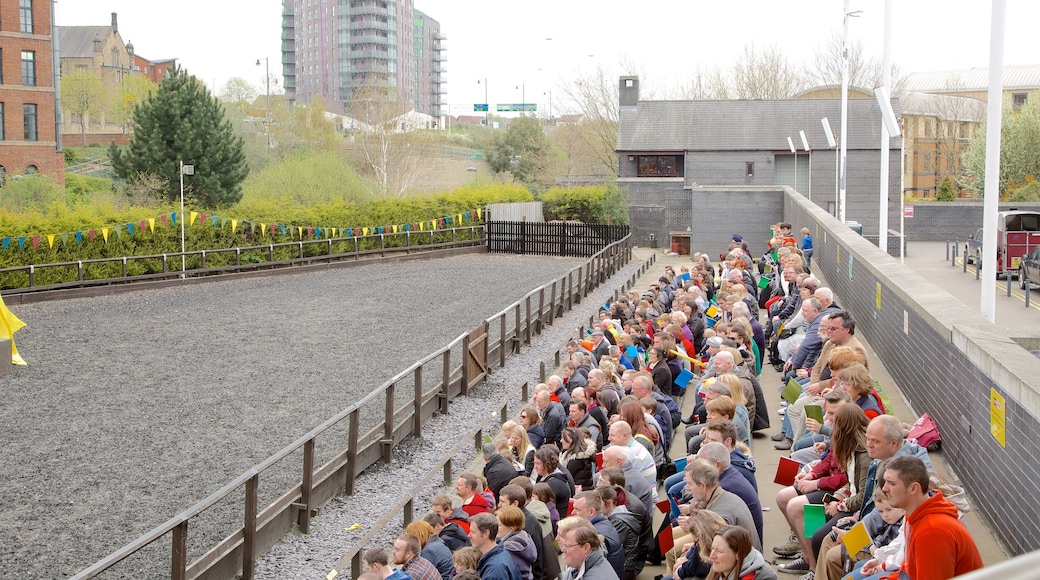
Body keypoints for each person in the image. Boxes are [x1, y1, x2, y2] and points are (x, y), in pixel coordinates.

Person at [879, 456, 983, 580]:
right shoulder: (915, 514)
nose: (884, 488)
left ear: (913, 488)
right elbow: (910, 569)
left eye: (891, 483)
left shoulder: (932, 531)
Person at [571, 491, 626, 579]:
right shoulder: (603, 522)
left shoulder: (594, 535)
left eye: (577, 509)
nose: (572, 512)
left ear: (591, 511)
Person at [706, 525, 777, 580]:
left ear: (738, 554)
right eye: (712, 548)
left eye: (719, 551)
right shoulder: (722, 569)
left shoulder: (761, 577)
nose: (712, 556)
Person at [469, 512, 522, 580]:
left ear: (486, 534)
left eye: (473, 532)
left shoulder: (495, 570)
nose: (469, 535)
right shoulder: (501, 553)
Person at [496, 506, 537, 580]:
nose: (495, 527)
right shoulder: (524, 538)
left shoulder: (508, 550)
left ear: (511, 528)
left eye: (499, 525)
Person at [532, 445, 574, 516]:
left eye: (538, 463)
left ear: (547, 464)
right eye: (534, 463)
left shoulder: (555, 483)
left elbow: (538, 505)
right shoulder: (543, 476)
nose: (535, 466)